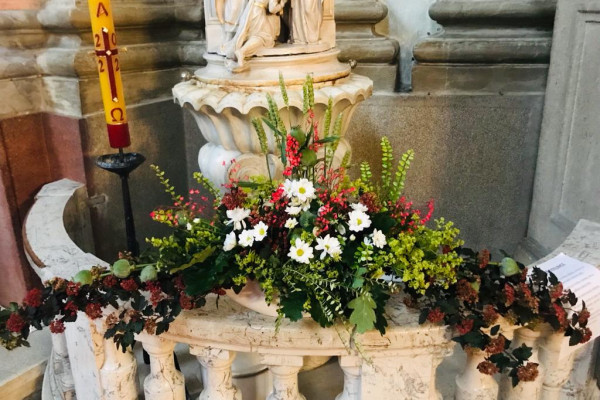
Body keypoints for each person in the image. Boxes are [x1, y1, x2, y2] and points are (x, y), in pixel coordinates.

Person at [223, 0, 286, 71]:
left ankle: (241, 50)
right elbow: (272, 9)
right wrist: (282, 4)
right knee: (263, 37)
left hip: (251, 11)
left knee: (252, 35)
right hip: (259, 14)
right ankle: (242, 52)